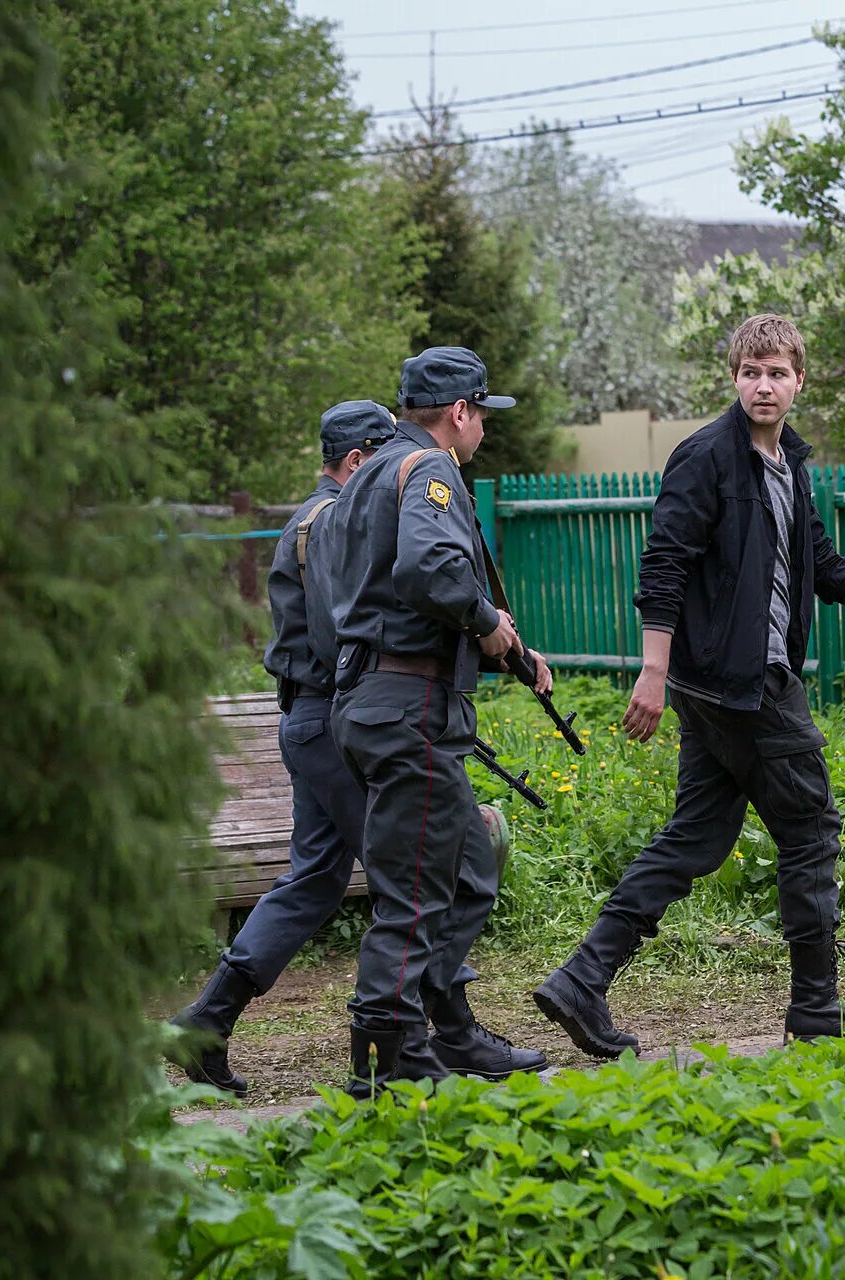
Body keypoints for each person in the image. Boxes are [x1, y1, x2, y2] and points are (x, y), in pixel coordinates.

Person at [534, 313, 845, 1058]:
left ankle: (581, 980)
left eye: (778, 372)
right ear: (734, 378)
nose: (765, 385)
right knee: (811, 828)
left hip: (729, 686)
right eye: (752, 372)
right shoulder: (704, 459)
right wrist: (652, 674)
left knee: (696, 837)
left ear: (799, 381)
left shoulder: (789, 460)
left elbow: (821, 563)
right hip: (739, 684)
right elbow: (663, 567)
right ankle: (816, 1008)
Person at [324, 346, 551, 1095]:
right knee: (420, 887)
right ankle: (387, 1057)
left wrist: (506, 644)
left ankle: (443, 1029)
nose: (482, 425)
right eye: (481, 412)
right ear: (459, 413)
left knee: (464, 869)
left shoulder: (370, 476)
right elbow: (429, 571)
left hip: (375, 699)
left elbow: (382, 594)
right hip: (408, 710)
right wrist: (485, 618)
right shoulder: (429, 471)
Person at [168, 400, 395, 1096]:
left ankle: (203, 1024)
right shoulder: (328, 523)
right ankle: (403, 1049)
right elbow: (339, 637)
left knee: (316, 880)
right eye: (384, 466)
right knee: (408, 871)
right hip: (333, 721)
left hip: (308, 721)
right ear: (356, 462)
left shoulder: (307, 518)